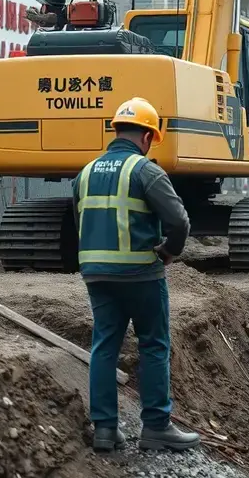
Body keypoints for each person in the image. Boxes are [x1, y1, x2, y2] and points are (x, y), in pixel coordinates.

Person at [72, 97, 200, 453]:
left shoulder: (85, 172)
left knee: (104, 347)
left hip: (96, 275)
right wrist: (169, 252)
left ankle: (105, 430)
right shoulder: (145, 171)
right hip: (141, 273)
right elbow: (179, 221)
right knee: (154, 345)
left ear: (117, 130)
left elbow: (78, 220)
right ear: (146, 136)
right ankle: (156, 427)